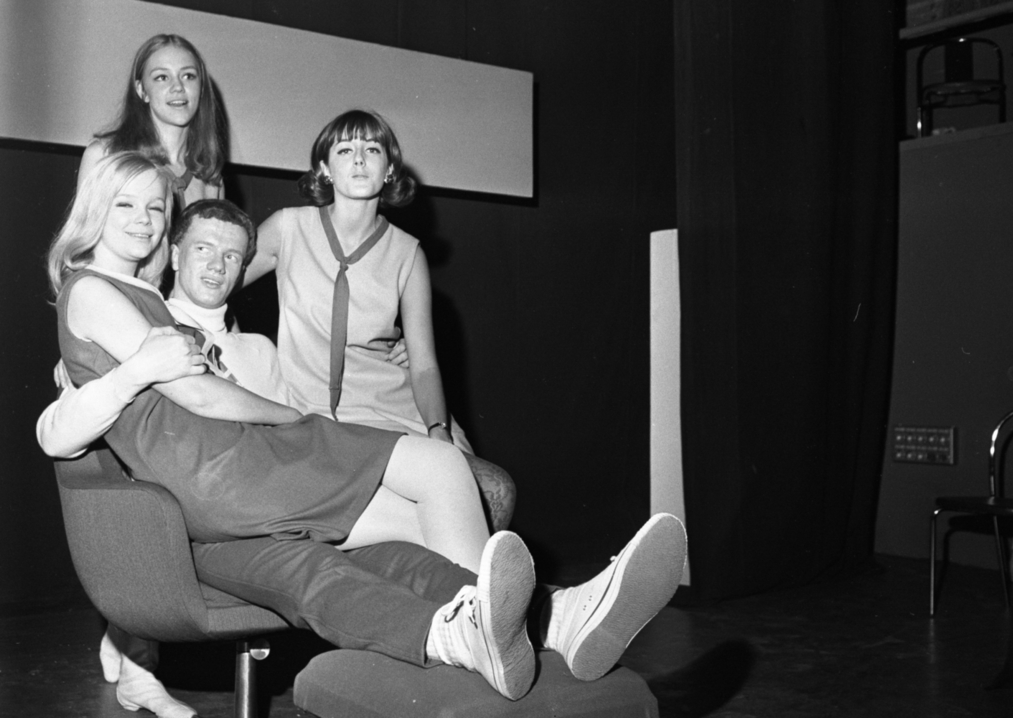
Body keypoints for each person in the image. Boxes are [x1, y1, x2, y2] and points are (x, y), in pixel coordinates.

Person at [40, 178, 688, 710]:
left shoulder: (241, 341)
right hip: (223, 486)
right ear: (177, 253)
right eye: (129, 206)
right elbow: (67, 424)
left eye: (156, 208)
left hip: (247, 490)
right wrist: (132, 379)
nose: (214, 262)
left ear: (244, 268)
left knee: (411, 529)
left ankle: (551, 619)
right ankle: (526, 625)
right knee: (437, 472)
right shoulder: (118, 304)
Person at [243, 109, 516, 530]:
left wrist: (438, 431)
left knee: (495, 490)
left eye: (372, 149)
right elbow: (215, 283)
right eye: (344, 150)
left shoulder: (408, 253)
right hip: (318, 417)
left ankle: (479, 574)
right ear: (324, 168)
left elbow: (424, 366)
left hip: (393, 409)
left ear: (389, 170)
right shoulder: (287, 227)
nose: (358, 159)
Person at [80, 34, 225, 210]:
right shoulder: (103, 156)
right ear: (142, 90)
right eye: (162, 77)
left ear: (201, 89)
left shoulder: (210, 178)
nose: (178, 87)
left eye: (188, 76)